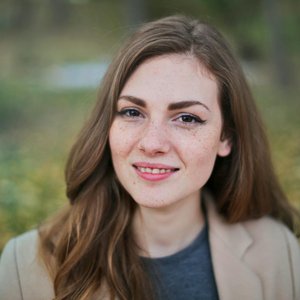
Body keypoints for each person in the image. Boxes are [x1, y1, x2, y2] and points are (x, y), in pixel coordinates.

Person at [0, 15, 299, 300]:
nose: (152, 143)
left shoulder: (278, 252)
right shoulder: (25, 267)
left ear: (226, 137)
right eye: (132, 112)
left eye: (186, 118)